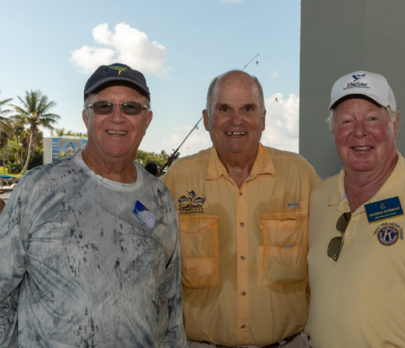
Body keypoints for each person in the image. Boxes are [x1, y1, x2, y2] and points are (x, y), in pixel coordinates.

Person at [0, 63, 186, 347]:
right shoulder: (37, 188)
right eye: (103, 106)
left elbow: (171, 301)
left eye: (130, 107)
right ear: (86, 117)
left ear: (147, 120)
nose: (117, 117)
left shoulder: (160, 200)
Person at [162, 70, 321, 347]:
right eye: (224, 109)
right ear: (207, 119)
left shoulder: (301, 175)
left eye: (248, 109)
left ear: (263, 119)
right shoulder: (178, 179)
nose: (237, 121)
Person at [305, 70, 405, 347]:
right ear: (334, 130)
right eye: (346, 121)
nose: (359, 131)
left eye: (373, 118)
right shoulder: (319, 197)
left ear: (395, 124)